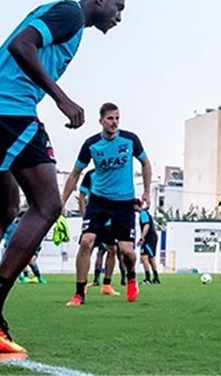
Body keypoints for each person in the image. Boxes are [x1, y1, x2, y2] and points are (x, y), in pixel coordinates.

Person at [0, 0, 128, 354]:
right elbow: (21, 44)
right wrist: (61, 98)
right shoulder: (70, 14)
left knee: (5, 208)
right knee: (48, 205)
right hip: (8, 109)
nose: (119, 17)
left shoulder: (65, 20)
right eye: (118, 7)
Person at [61, 102, 151, 306]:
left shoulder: (130, 140)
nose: (114, 122)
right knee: (86, 241)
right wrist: (62, 201)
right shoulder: (91, 145)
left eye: (117, 118)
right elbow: (75, 173)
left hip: (124, 203)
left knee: (127, 252)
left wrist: (146, 191)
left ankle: (131, 277)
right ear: (101, 121)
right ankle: (79, 293)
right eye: (110, 118)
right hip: (99, 201)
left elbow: (146, 163)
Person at [77, 169, 123, 291]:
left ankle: (107, 285)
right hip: (94, 217)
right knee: (87, 246)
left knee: (112, 249)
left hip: (110, 220)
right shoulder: (91, 175)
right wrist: (84, 216)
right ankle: (82, 284)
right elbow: (81, 196)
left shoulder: (115, 174)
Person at [3, 212, 47, 284]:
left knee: (29, 261)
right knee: (16, 263)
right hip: (13, 247)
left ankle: (38, 277)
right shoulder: (12, 226)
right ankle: (23, 277)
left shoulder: (28, 226)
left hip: (25, 246)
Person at [136, 198, 161, 285]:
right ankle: (156, 278)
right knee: (150, 258)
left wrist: (142, 238)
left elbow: (146, 225)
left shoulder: (143, 214)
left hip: (149, 238)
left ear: (136, 205)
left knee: (144, 257)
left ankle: (148, 279)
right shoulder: (144, 212)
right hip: (152, 237)